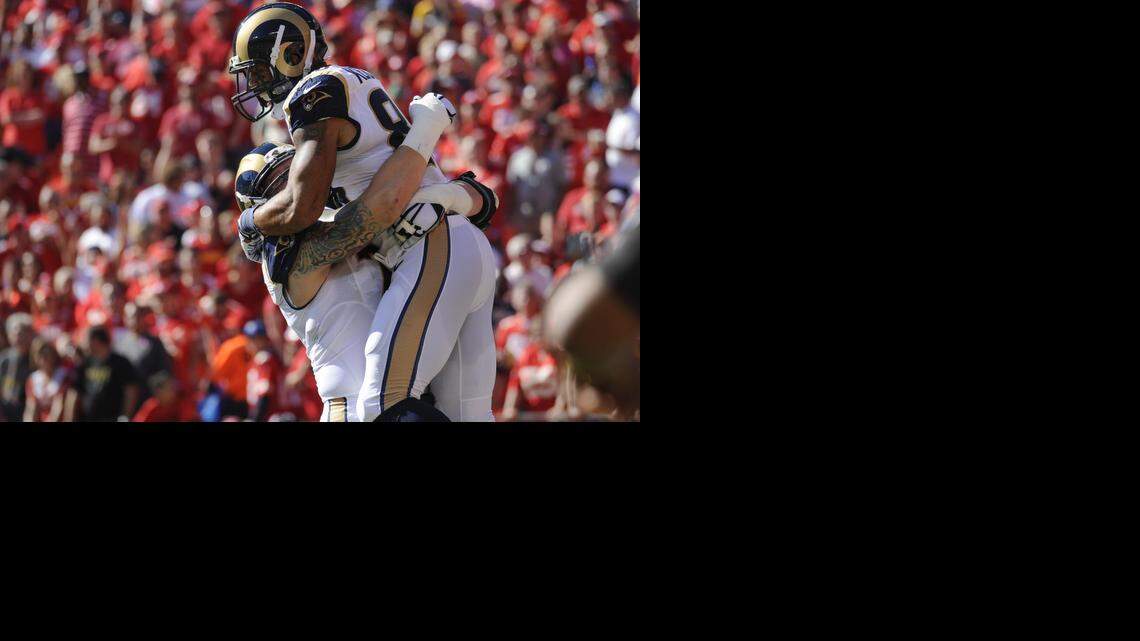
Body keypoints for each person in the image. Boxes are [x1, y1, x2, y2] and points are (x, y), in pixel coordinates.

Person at [230, 3, 500, 421]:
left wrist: (251, 221)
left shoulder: (314, 94)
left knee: (387, 402)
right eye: (275, 182)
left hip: (433, 246)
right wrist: (428, 143)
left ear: (288, 53)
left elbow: (315, 208)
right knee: (462, 413)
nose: (293, 174)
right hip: (447, 246)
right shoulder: (291, 259)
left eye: (261, 71)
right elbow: (364, 211)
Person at [72, 325, 141, 422]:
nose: (83, 344)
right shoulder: (85, 363)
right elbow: (77, 392)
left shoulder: (120, 362)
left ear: (95, 341)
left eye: (86, 340)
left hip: (113, 418)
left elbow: (131, 391)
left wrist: (126, 416)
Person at [0, 312, 35, 421]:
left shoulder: (36, 359)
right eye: (14, 334)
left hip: (28, 411)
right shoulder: (4, 359)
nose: (18, 338)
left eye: (22, 333)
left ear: (31, 334)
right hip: (5, 411)